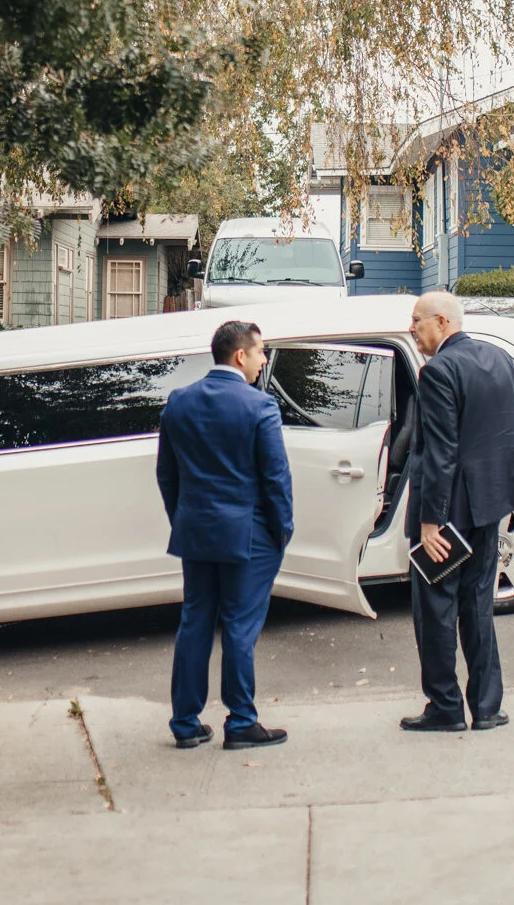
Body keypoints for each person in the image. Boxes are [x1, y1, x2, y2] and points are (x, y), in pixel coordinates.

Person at [155, 319, 294, 750]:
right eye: (260, 352)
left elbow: (167, 476)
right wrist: (282, 532)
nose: (263, 359)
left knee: (195, 622)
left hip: (195, 531)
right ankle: (241, 722)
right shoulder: (259, 407)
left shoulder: (179, 402)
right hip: (247, 534)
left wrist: (183, 519)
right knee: (239, 626)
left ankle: (185, 723)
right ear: (241, 356)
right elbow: (276, 480)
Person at [400, 290, 514, 733]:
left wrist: (430, 520)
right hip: (488, 508)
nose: (412, 328)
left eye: (417, 320)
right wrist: (498, 485)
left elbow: (440, 450)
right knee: (477, 603)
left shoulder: (438, 371)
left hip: (448, 516)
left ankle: (445, 708)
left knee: (436, 609)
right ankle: (488, 707)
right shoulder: (497, 359)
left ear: (442, 322)